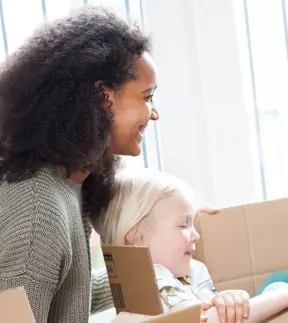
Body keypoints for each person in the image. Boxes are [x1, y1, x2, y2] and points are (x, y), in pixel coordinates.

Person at [0, 6, 159, 323]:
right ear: (104, 98)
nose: (154, 113)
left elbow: (65, 291)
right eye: (147, 96)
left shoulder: (68, 181)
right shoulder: (38, 211)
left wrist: (159, 272)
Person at [93, 169, 288, 323]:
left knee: (283, 279)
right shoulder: (154, 279)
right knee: (285, 288)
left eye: (193, 224)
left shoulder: (185, 271)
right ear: (137, 238)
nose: (195, 236)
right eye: (183, 226)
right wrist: (286, 297)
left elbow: (209, 306)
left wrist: (225, 300)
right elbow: (202, 321)